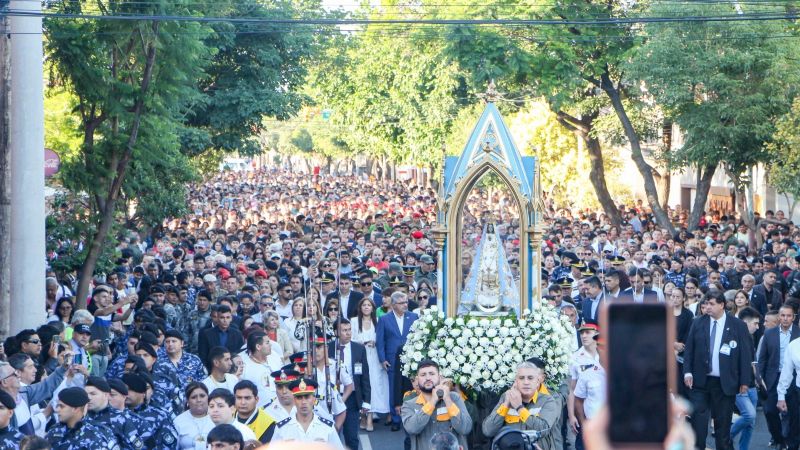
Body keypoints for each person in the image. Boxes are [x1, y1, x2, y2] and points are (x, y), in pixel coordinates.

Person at [683, 291, 754, 450]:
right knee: (698, 427)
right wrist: (687, 372)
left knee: (722, 429)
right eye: (706, 304)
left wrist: (744, 381)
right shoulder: (698, 322)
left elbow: (745, 355)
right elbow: (689, 350)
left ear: (722, 305)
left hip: (724, 383)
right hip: (700, 382)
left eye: (711, 304)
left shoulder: (738, 325)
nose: (707, 307)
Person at [482, 359, 560, 450]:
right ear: (516, 381)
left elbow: (543, 430)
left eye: (530, 378)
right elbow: (488, 431)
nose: (526, 382)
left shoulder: (547, 400)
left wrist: (519, 408)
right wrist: (506, 404)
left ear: (538, 381)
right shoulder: (505, 398)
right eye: (521, 378)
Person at [401, 359, 471, 450]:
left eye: (432, 374)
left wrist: (447, 399)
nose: (427, 378)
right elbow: (412, 428)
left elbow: (465, 428)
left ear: (440, 377)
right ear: (417, 379)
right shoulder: (409, 405)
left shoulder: (454, 398)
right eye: (423, 375)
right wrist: (433, 401)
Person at [377, 291, 418, 430]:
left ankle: (412, 417)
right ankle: (395, 419)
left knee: (411, 387)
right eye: (401, 303)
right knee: (394, 388)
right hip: (392, 359)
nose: (405, 305)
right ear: (393, 305)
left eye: (406, 302)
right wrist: (382, 359)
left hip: (411, 359)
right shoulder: (384, 319)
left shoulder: (414, 317)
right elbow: (380, 341)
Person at [329, 318, 370, 450]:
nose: (348, 333)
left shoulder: (359, 349)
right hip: (331, 397)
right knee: (331, 436)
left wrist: (366, 401)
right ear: (336, 332)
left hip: (351, 397)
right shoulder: (327, 348)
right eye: (344, 330)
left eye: (349, 330)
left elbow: (365, 376)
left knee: (351, 437)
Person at [764, 304, 800, 449]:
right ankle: (781, 440)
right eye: (783, 315)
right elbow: (785, 371)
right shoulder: (794, 345)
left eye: (789, 315)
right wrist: (780, 395)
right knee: (773, 412)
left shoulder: (796, 334)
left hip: (793, 383)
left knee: (791, 418)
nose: (785, 318)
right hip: (787, 384)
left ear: (793, 318)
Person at [272, 378, 344, 449]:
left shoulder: (327, 428)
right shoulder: (282, 428)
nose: (303, 402)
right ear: (294, 400)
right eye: (299, 398)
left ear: (314, 399)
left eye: (307, 397)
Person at [352, 296, 389, 430]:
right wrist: (361, 343)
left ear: (373, 308)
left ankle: (369, 419)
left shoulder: (378, 321)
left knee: (373, 385)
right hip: (359, 357)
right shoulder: (354, 321)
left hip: (373, 358)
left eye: (369, 305)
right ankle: (362, 415)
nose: (366, 307)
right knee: (360, 385)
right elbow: (350, 339)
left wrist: (375, 343)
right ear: (360, 308)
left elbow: (383, 339)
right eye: (364, 305)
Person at [45, 387, 119, 450]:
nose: (57, 410)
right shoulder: (55, 430)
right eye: (57, 406)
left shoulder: (96, 435)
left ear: (76, 409)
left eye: (62, 406)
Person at [84, 376, 145, 450]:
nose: (88, 398)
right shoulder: (81, 416)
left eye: (93, 394)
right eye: (85, 394)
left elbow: (138, 447)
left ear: (106, 395)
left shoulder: (121, 418)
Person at [122, 372, 179, 448]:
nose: (126, 393)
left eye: (130, 389)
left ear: (142, 392)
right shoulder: (117, 415)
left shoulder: (158, 416)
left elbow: (169, 445)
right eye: (123, 389)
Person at [567, 323, 600, 450]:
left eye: (588, 332)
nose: (584, 336)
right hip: (585, 413)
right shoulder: (575, 358)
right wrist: (571, 415)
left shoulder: (607, 353)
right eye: (581, 333)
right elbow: (572, 389)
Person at [239, 332, 278, 408]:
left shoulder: (275, 357)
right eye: (267, 343)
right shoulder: (245, 367)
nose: (270, 345)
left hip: (278, 407)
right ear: (258, 347)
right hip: (260, 411)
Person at [174, 382, 215, 450]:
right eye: (193, 397)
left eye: (202, 396)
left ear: (208, 397)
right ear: (187, 401)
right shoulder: (178, 421)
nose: (199, 400)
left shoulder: (217, 416)